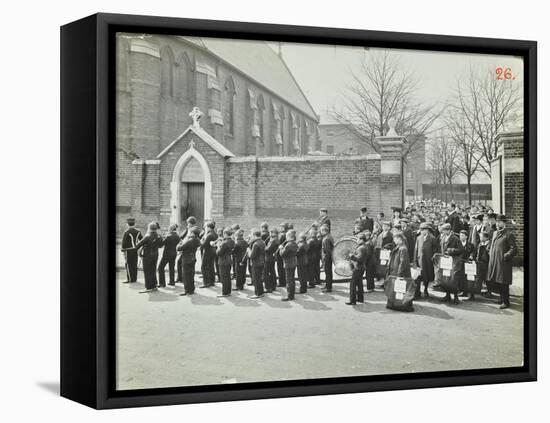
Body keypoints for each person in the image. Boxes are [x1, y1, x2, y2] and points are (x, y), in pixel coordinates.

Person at [487, 215, 517, 309]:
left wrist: (505, 256)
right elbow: (492, 244)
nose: (497, 223)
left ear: (504, 223)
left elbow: (514, 249)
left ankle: (506, 302)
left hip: (504, 263)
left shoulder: (508, 234)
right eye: (497, 222)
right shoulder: (496, 233)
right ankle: (501, 298)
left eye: (499, 222)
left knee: (504, 283)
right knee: (498, 281)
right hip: (495, 261)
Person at [134, 222, 163, 293]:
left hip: (147, 256)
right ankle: (154, 286)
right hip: (155, 255)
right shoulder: (159, 236)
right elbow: (160, 246)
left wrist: (144, 246)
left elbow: (137, 246)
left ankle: (148, 287)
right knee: (153, 270)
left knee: (147, 272)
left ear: (149, 228)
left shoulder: (147, 236)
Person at [440, 223, 464, 304]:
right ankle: (447, 295)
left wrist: (451, 250)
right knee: (446, 278)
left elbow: (461, 249)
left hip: (453, 261)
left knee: (453, 279)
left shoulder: (455, 238)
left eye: (444, 230)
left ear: (449, 230)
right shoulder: (443, 237)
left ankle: (456, 297)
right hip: (445, 261)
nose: (443, 232)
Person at [413, 222, 438, 299]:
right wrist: (415, 260)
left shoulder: (432, 238)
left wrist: (432, 260)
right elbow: (416, 249)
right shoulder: (418, 238)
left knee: (427, 276)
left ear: (427, 230)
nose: (422, 231)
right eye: (421, 230)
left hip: (428, 260)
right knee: (419, 276)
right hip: (420, 259)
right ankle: (418, 291)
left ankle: (426, 289)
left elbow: (435, 250)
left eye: (423, 230)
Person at [121, 217, 143, 283]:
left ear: (127, 224)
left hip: (128, 251)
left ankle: (130, 279)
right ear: (134, 224)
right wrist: (138, 247)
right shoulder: (138, 232)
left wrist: (123, 250)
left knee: (128, 264)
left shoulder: (126, 232)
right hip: (135, 250)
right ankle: (134, 279)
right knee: (134, 264)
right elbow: (141, 240)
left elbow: (124, 244)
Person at [347, 233, 367, 305]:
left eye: (358, 239)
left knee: (353, 284)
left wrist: (351, 256)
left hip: (358, 268)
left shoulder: (361, 248)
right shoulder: (363, 247)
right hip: (361, 268)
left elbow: (359, 259)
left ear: (362, 240)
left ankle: (352, 300)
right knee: (359, 284)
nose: (357, 240)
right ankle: (360, 298)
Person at [279, 230, 299, 301]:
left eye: (287, 236)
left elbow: (282, 254)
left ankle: (290, 296)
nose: (286, 237)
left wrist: (281, 248)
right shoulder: (295, 243)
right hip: (293, 262)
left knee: (289, 280)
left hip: (288, 263)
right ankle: (292, 294)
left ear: (289, 236)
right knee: (292, 279)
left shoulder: (288, 245)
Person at [247, 229, 266, 298]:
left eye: (252, 235)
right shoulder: (262, 242)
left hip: (256, 263)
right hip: (261, 262)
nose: (251, 236)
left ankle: (258, 293)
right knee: (259, 278)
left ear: (255, 235)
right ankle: (261, 292)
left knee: (256, 279)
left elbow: (252, 256)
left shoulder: (256, 244)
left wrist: (249, 250)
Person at [216, 229, 235, 297]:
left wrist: (218, 246)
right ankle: (228, 292)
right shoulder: (232, 241)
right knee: (228, 277)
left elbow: (219, 253)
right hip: (229, 260)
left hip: (223, 261)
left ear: (225, 234)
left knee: (223, 277)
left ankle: (224, 293)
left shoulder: (224, 243)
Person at [200, 221, 218, 288]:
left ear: (209, 227)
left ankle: (206, 282)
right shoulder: (215, 234)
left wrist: (201, 241)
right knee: (211, 266)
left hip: (207, 251)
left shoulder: (209, 235)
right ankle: (212, 281)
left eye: (206, 227)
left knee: (204, 266)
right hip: (213, 251)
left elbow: (204, 244)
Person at [458, 229, 475, 297]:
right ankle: (460, 290)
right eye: (460, 235)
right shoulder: (457, 243)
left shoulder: (470, 245)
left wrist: (471, 256)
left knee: (466, 278)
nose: (461, 237)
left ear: (466, 237)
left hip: (467, 263)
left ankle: (465, 291)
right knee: (459, 277)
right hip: (459, 263)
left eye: (462, 235)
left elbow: (473, 252)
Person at [263, 227, 280, 293]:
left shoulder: (273, 240)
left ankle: (268, 287)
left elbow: (267, 249)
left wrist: (264, 246)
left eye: (270, 232)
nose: (269, 234)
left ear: (273, 233)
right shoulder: (276, 239)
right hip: (271, 258)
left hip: (268, 257)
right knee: (272, 271)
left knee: (266, 272)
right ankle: (273, 285)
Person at [321, 224, 334, 293]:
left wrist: (324, 259)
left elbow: (327, 251)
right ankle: (327, 285)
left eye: (321, 231)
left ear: (324, 231)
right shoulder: (329, 236)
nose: (320, 232)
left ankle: (328, 287)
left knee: (328, 273)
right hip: (329, 258)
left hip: (327, 259)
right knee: (328, 273)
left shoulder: (326, 239)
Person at [275, 222, 287, 287]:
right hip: (284, 253)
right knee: (283, 268)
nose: (280, 228)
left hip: (280, 254)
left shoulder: (282, 235)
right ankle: (284, 281)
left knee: (280, 268)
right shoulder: (286, 234)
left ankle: (281, 282)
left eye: (281, 227)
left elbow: (279, 244)